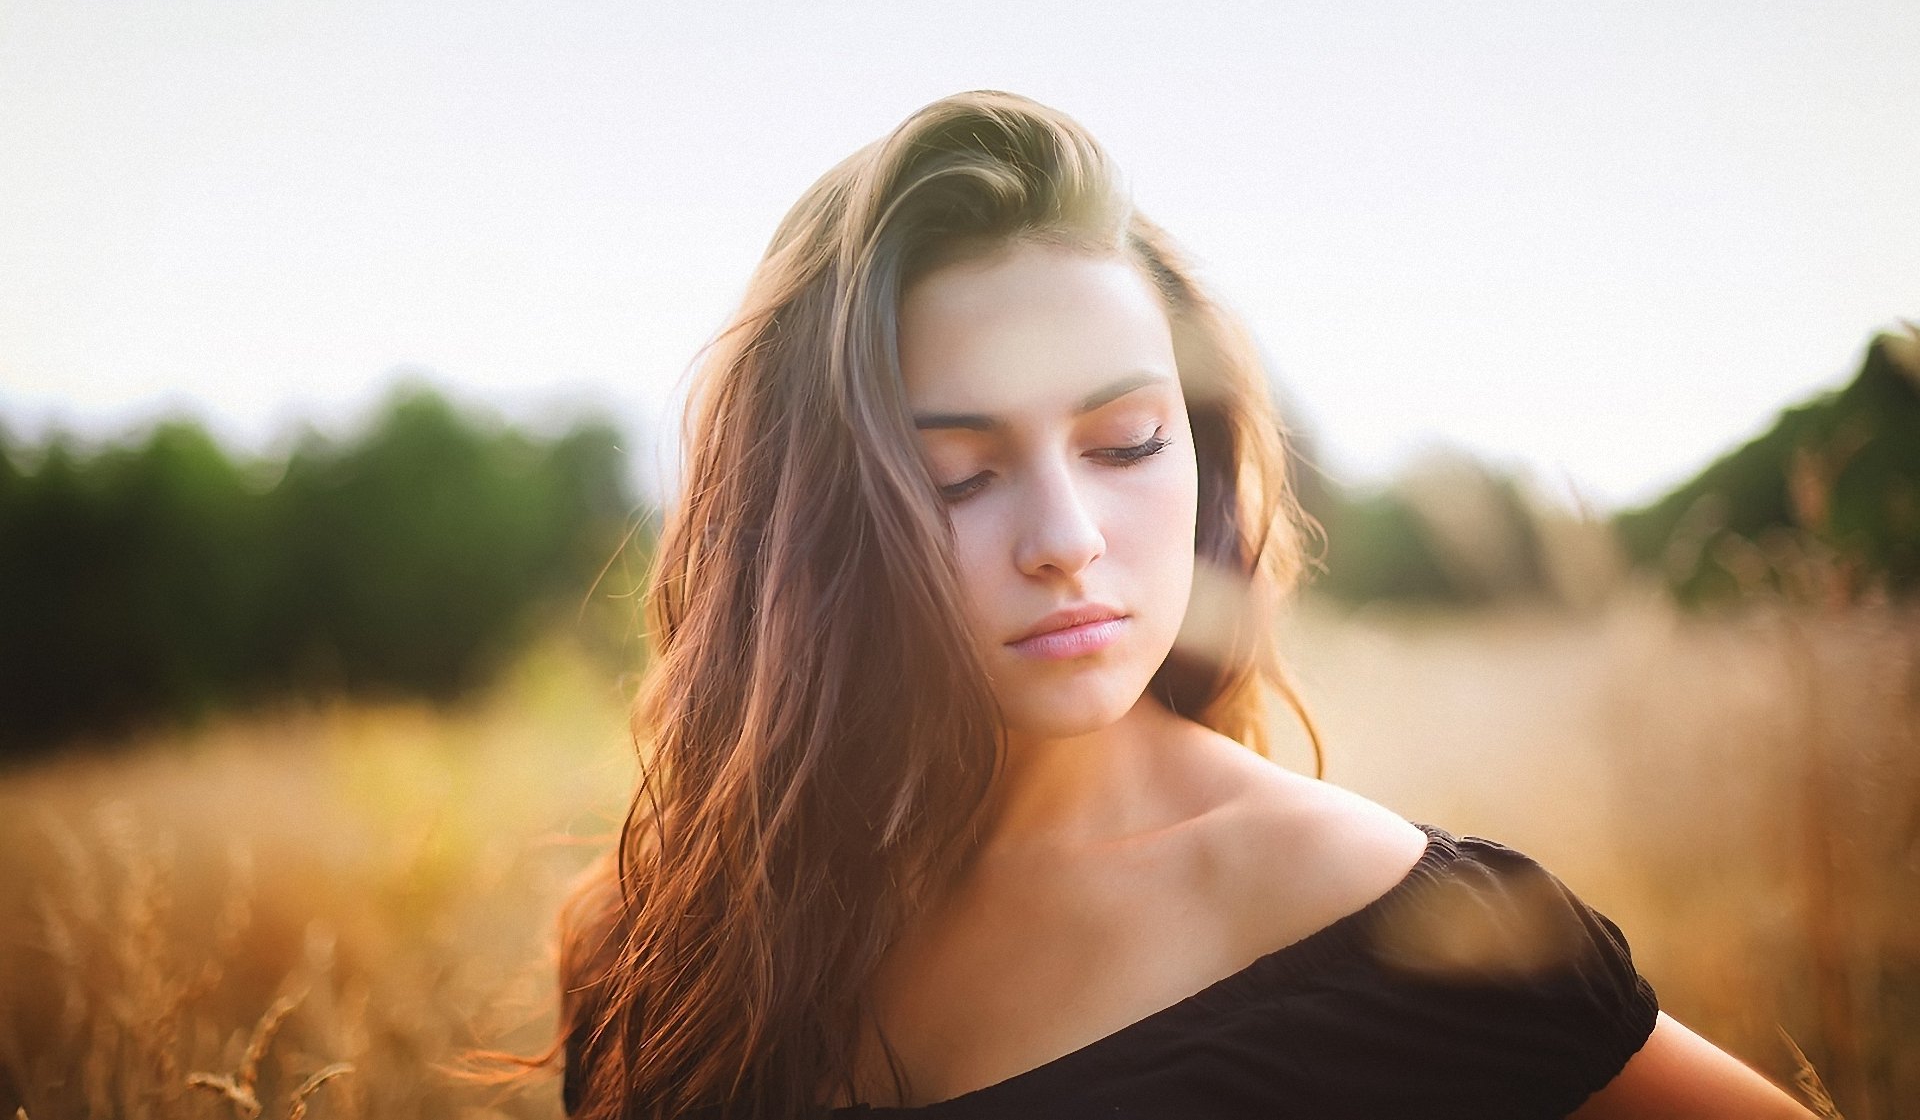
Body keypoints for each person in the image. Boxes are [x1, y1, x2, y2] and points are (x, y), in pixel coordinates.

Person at [553, 91, 1815, 1118]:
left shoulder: (1397, 924)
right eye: (961, 475)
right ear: (812, 518)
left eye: (1128, 442)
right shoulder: (664, 938)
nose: (1066, 539)